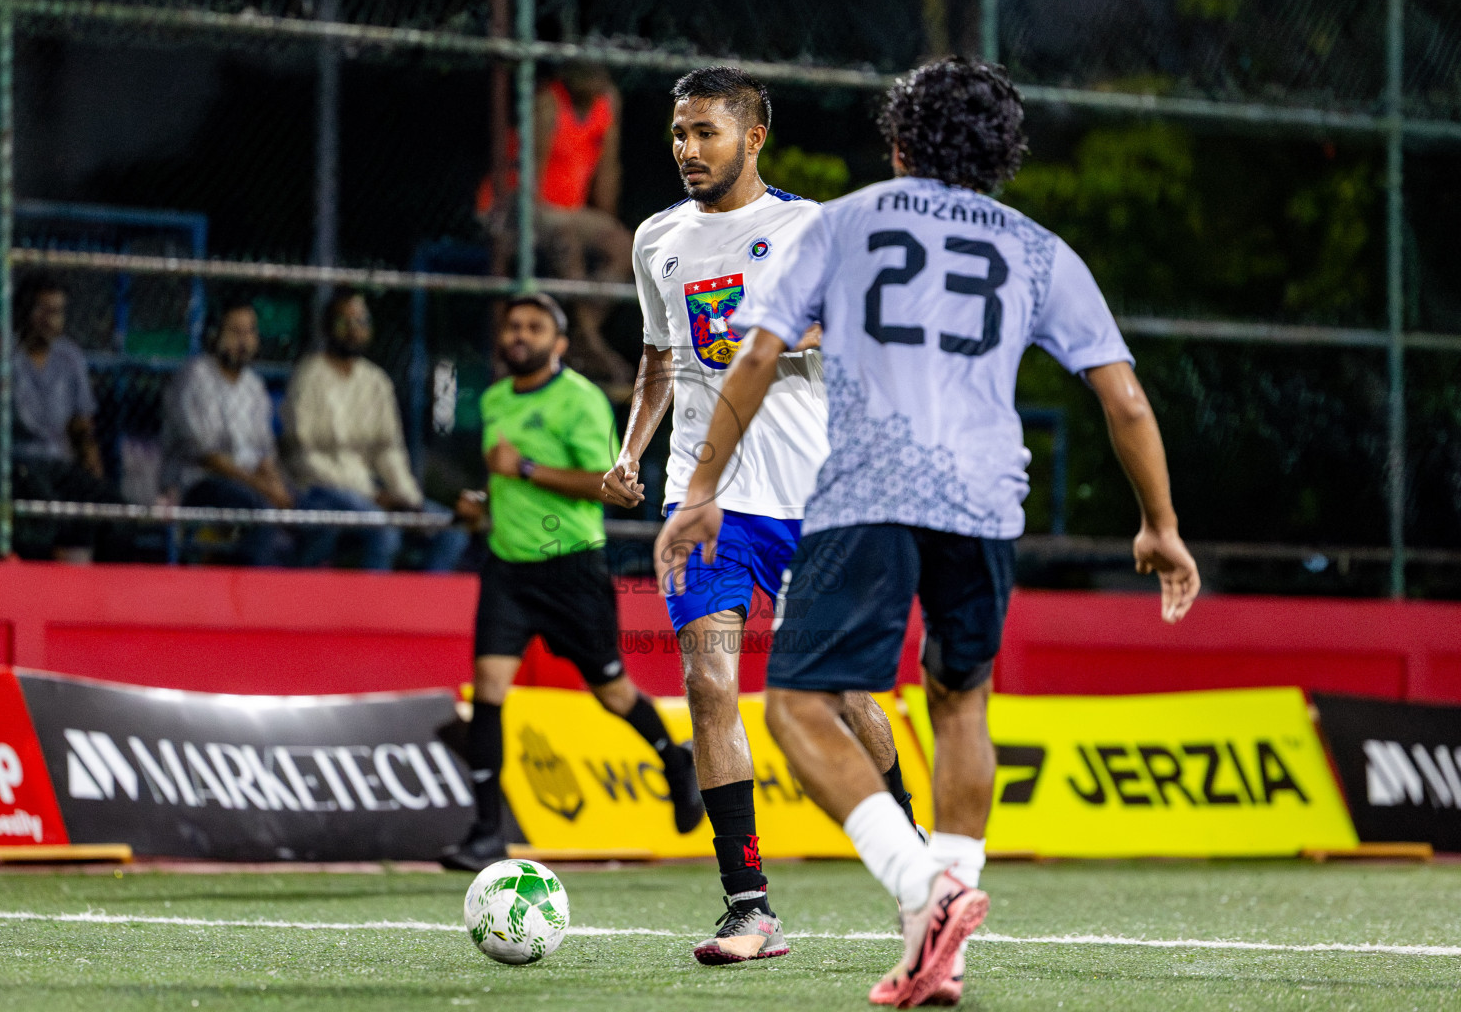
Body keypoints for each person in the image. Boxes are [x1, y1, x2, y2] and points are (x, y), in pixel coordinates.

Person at [656, 57, 1202, 1007]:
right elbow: (1124, 398)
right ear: (1004, 155)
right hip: (987, 502)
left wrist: (701, 484)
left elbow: (753, 357)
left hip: (867, 493)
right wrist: (1159, 523)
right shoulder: (1039, 249)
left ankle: (924, 890)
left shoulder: (845, 222)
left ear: (900, 141)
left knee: (796, 705)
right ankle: (938, 942)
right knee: (961, 705)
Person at [602, 67, 917, 968]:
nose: (686, 150)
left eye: (705, 132)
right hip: (704, 504)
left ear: (754, 135)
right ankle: (749, 908)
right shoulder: (657, 237)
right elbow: (661, 356)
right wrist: (632, 450)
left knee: (844, 695)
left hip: (812, 498)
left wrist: (801, 336)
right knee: (707, 682)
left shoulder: (812, 228)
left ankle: (918, 876)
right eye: (677, 134)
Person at [441, 293, 703, 871]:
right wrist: (481, 504)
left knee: (612, 692)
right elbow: (508, 486)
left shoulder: (580, 401)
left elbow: (607, 485)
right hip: (507, 567)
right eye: (512, 325)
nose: (520, 334)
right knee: (488, 690)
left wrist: (526, 470)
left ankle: (674, 758)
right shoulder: (493, 400)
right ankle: (486, 832)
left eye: (534, 327)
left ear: (559, 344)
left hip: (572, 569)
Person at [282, 287, 470, 571]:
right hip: (318, 489)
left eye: (362, 322)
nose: (354, 330)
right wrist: (372, 496)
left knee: (453, 533)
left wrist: (409, 500)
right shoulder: (308, 377)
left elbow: (389, 451)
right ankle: (371, 614)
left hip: (369, 493)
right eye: (344, 322)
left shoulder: (376, 382)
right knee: (385, 533)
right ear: (327, 328)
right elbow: (305, 457)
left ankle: (420, 610)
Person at [478, 62, 634, 393]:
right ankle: (587, 345)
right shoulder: (549, 103)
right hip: (518, 206)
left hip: (569, 214)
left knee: (625, 246)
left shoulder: (607, 103)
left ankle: (580, 338)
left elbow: (607, 173)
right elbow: (526, 184)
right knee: (566, 240)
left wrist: (605, 225)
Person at [0, 274, 124, 561]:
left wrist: (96, 487)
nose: (50, 320)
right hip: (13, 463)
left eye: (57, 312)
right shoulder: (1, 352)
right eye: (42, 310)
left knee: (115, 511)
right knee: (43, 506)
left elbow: (83, 435)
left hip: (55, 465)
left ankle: (106, 594)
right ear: (23, 311)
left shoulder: (70, 358)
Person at [160, 296, 294, 566]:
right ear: (214, 335)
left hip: (246, 484)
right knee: (260, 512)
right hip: (199, 484)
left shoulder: (254, 386)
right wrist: (263, 488)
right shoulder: (196, 377)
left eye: (250, 332)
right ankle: (251, 597)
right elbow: (209, 457)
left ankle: (293, 598)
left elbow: (264, 452)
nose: (244, 341)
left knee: (308, 511)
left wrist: (277, 487)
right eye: (235, 332)